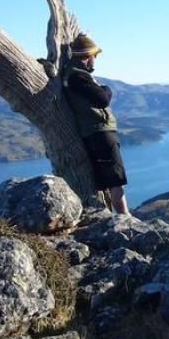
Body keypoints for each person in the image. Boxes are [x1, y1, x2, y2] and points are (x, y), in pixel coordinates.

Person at [63, 32, 129, 215]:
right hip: (100, 132)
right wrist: (106, 88)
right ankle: (125, 217)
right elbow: (102, 99)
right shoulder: (78, 76)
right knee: (116, 179)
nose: (95, 60)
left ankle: (113, 215)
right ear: (88, 56)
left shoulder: (74, 74)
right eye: (94, 56)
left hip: (93, 133)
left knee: (107, 179)